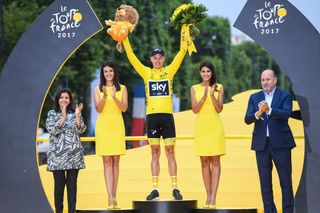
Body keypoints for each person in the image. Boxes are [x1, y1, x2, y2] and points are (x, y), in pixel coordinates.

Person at [121, 26, 190, 200]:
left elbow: (182, 51)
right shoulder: (146, 72)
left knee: (170, 152)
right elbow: (131, 56)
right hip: (152, 117)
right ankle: (155, 188)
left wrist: (185, 27)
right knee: (154, 153)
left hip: (167, 117)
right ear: (151, 59)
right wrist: (124, 37)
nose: (158, 60)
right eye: (155, 58)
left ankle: (175, 188)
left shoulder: (170, 70)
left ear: (164, 59)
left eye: (160, 58)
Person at [244, 69, 296, 213]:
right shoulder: (254, 97)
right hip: (261, 145)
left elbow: (286, 114)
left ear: (275, 80)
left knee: (285, 182)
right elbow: (247, 119)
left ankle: (288, 211)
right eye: (263, 80)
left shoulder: (285, 95)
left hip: (282, 145)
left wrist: (269, 110)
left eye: (268, 79)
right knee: (265, 184)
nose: (265, 82)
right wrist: (257, 113)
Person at [190, 61, 226, 208]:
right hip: (201, 127)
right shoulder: (194, 88)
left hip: (215, 126)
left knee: (215, 161)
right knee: (204, 161)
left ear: (212, 73)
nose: (206, 74)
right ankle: (207, 195)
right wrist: (204, 96)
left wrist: (212, 95)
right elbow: (195, 109)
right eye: (203, 71)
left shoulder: (219, 88)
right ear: (200, 73)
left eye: (208, 71)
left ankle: (213, 197)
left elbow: (219, 109)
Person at [94, 61, 128, 209]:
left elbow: (124, 108)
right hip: (103, 127)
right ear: (103, 73)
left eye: (110, 71)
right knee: (107, 161)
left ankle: (115, 195)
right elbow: (98, 109)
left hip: (117, 127)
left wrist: (114, 96)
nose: (108, 73)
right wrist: (104, 96)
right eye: (105, 71)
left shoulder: (123, 88)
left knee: (116, 161)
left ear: (115, 72)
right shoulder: (97, 89)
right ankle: (110, 198)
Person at [46, 89, 86, 213]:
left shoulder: (75, 112)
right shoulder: (52, 113)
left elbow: (81, 130)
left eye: (67, 97)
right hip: (57, 156)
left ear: (70, 100)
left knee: (72, 186)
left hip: (74, 155)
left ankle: (72, 211)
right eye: (61, 97)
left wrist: (78, 115)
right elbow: (53, 130)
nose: (64, 99)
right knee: (59, 186)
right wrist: (63, 117)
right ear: (57, 100)